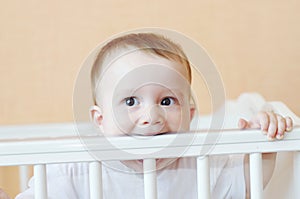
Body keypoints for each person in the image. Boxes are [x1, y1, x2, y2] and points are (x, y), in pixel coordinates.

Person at [15, 32, 293, 199]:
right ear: (100, 120)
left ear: (190, 115)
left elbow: (248, 183)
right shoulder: (73, 167)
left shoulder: (201, 163)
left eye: (167, 100)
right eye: (131, 100)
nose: (151, 117)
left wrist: (263, 138)